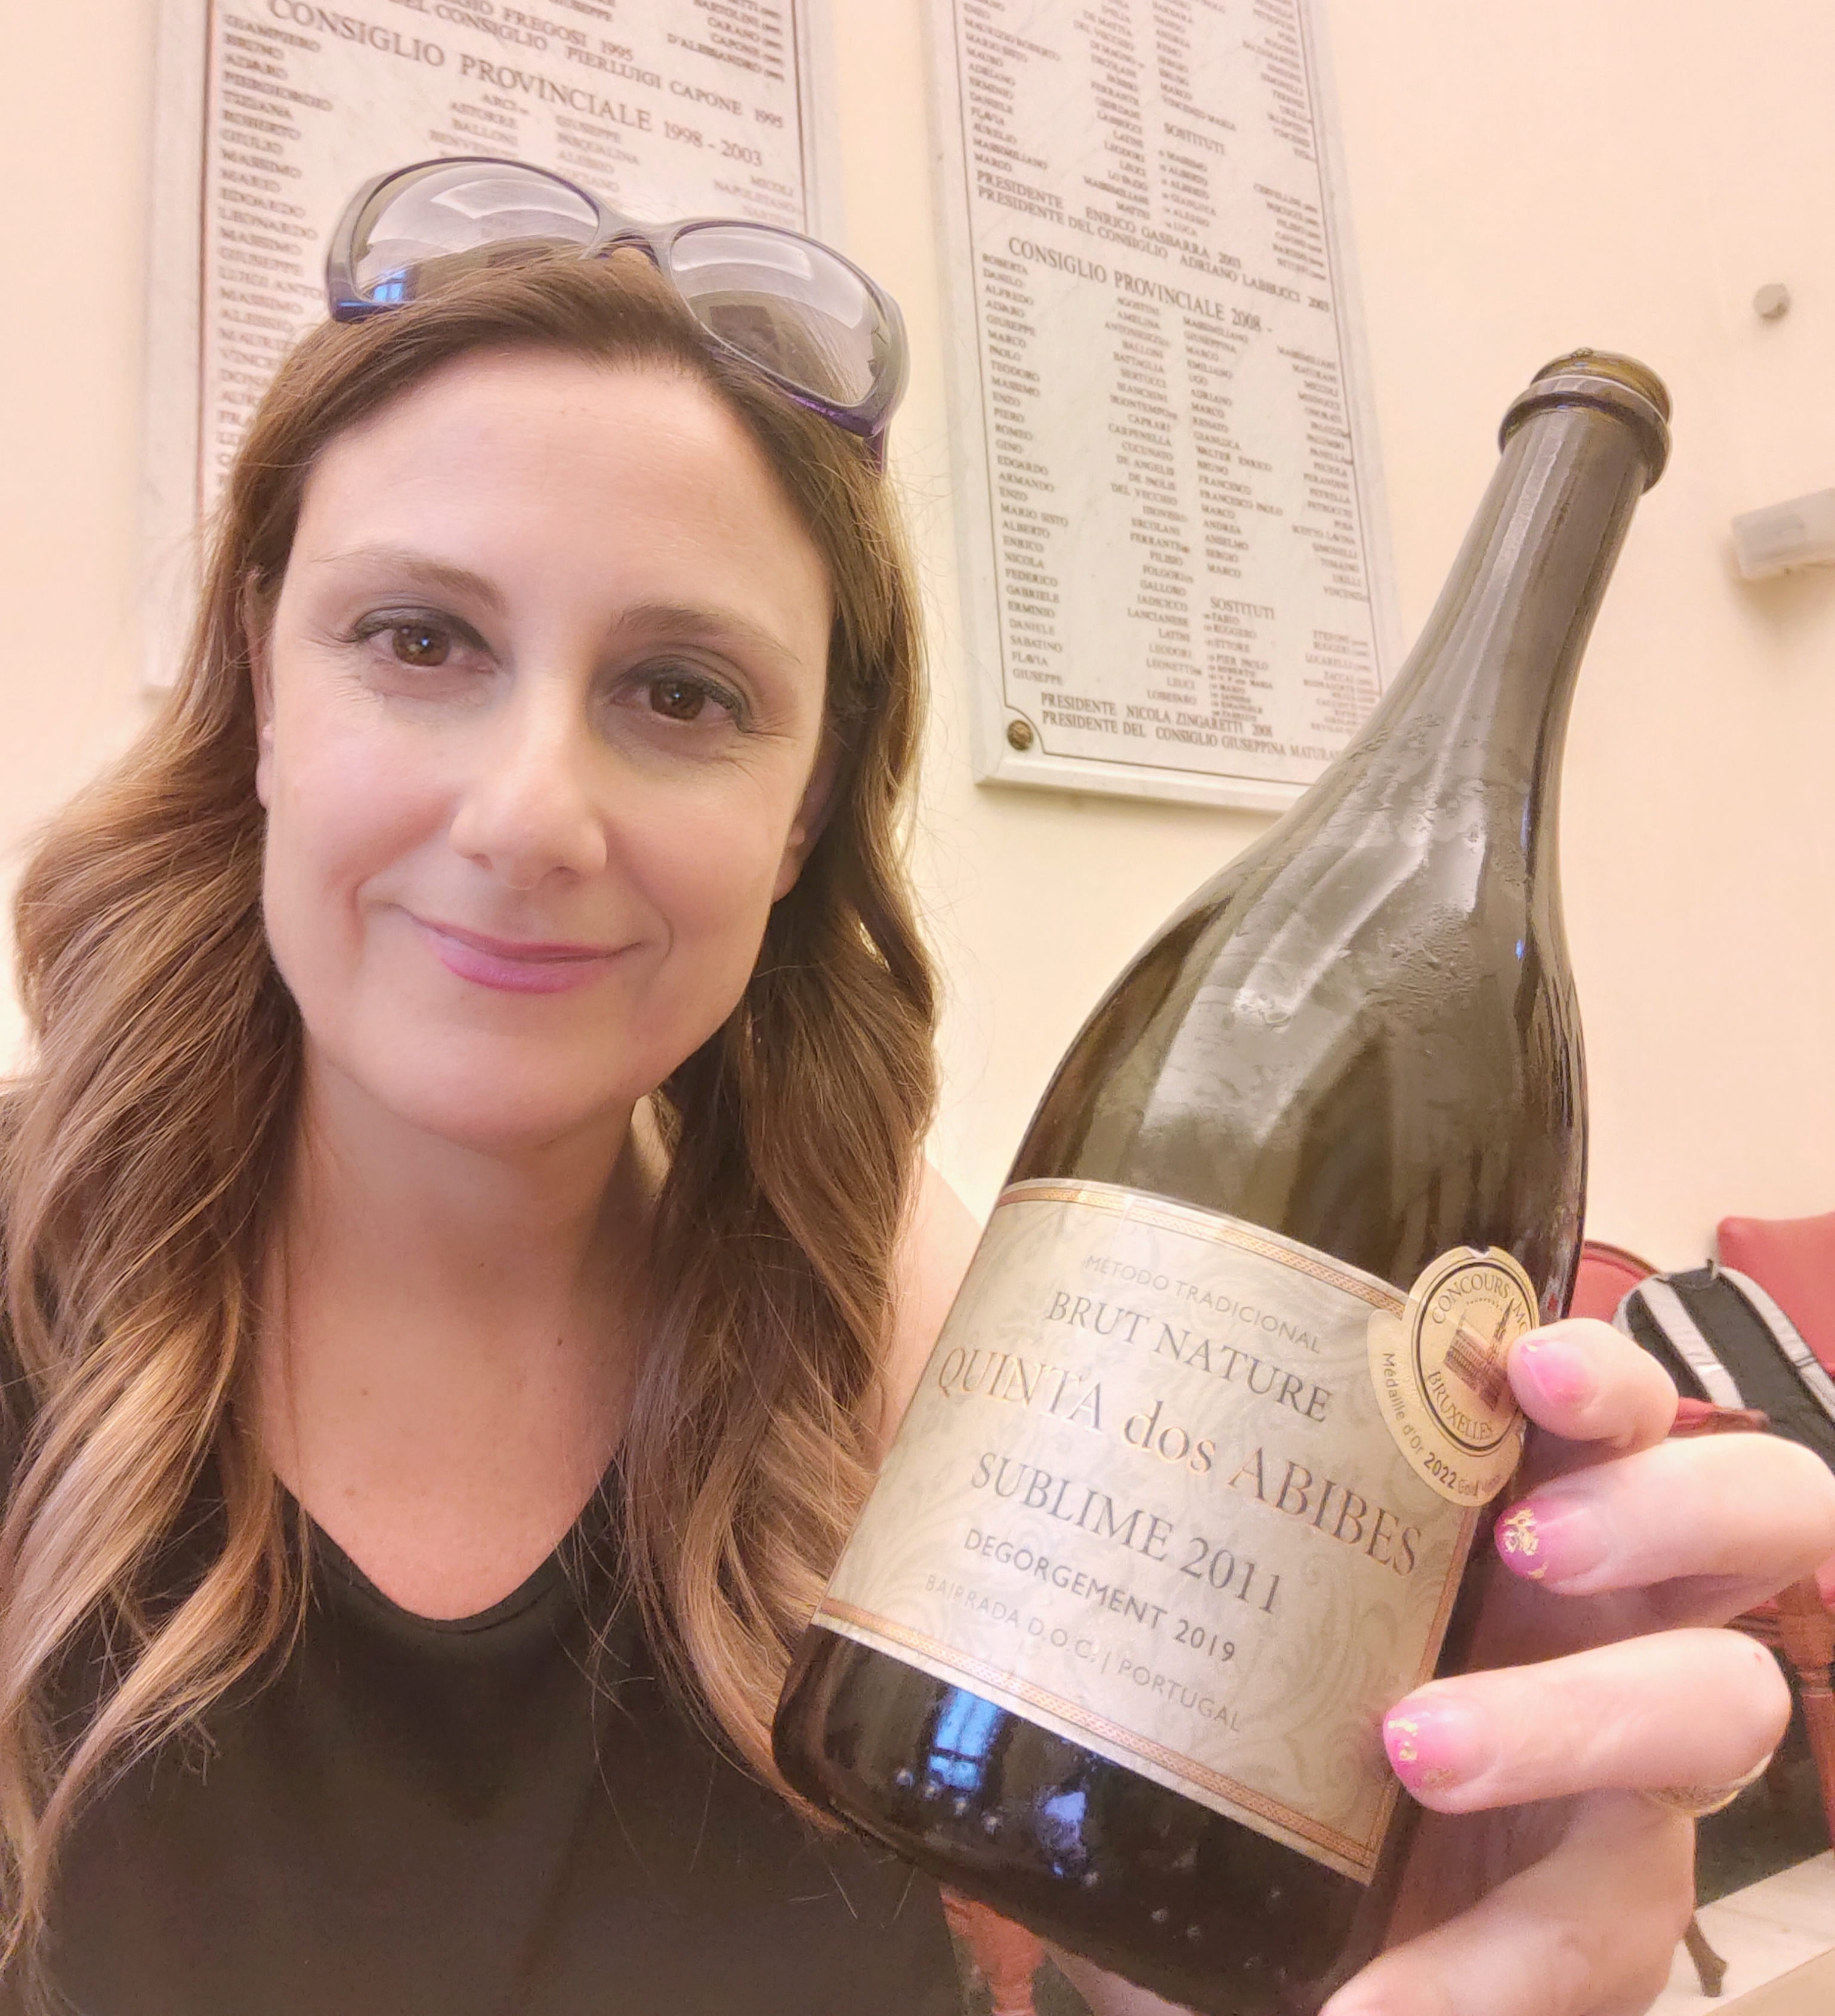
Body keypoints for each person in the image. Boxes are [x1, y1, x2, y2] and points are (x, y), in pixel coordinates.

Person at [0, 157, 1827, 2016]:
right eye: (418, 639)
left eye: (680, 691)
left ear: (804, 811)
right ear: (264, 680)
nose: (530, 814)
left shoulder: (869, 1298)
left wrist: (1370, 1938)